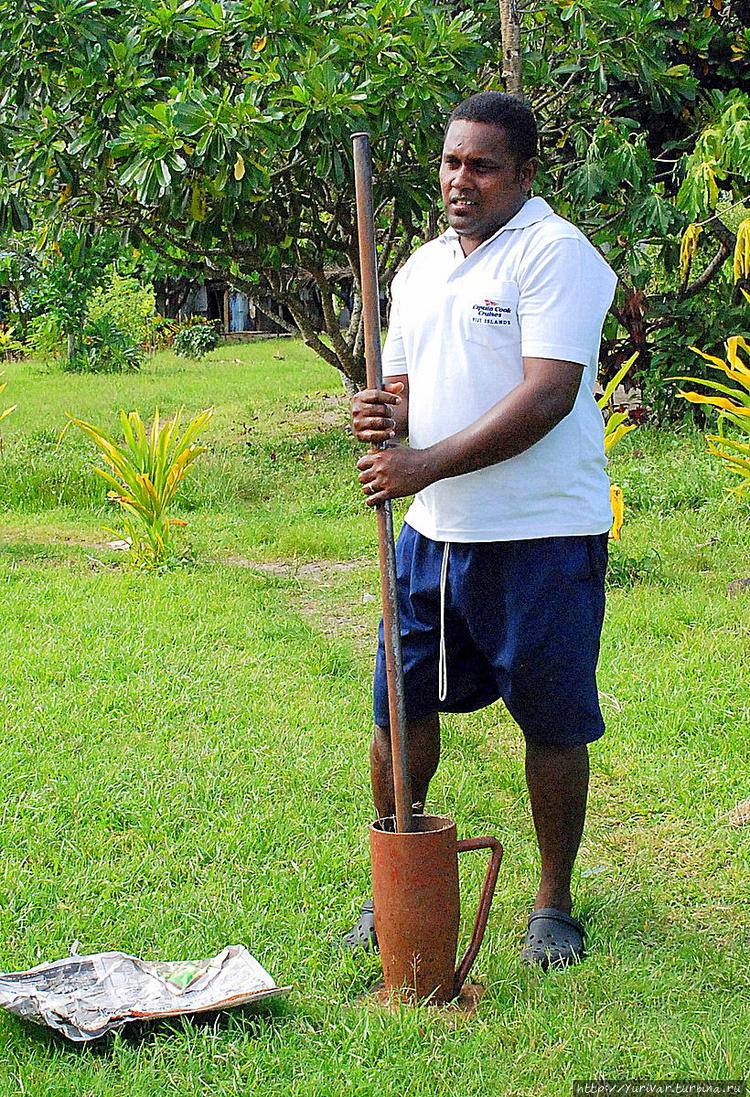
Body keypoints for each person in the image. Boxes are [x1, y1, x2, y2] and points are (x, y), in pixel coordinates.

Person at [345, 91, 617, 968]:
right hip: (432, 535)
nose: (460, 181)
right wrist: (384, 415)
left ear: (525, 174)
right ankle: (401, 872)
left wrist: (424, 464)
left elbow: (548, 394)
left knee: (552, 720)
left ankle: (553, 899)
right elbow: (408, 385)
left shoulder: (556, 255)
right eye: (451, 162)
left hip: (541, 537)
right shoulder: (422, 267)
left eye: (482, 165)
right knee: (399, 708)